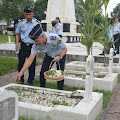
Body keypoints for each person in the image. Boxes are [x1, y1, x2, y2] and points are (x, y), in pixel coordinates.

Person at [15, 24, 67, 90]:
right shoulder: (36, 45)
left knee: (60, 74)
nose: (35, 43)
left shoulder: (54, 38)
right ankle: (42, 89)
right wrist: (21, 72)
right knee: (42, 72)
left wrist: (60, 56)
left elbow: (65, 49)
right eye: (34, 41)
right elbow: (30, 59)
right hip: (49, 56)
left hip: (60, 55)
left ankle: (60, 90)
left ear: (43, 36)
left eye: (37, 40)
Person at [15, 5, 40, 86]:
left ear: (33, 13)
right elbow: (18, 34)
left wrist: (39, 47)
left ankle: (30, 80)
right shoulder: (21, 23)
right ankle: (21, 79)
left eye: (30, 14)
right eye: (26, 14)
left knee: (32, 64)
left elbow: (40, 36)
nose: (28, 16)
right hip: (22, 45)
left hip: (33, 46)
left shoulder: (37, 24)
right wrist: (17, 43)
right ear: (24, 14)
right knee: (21, 63)